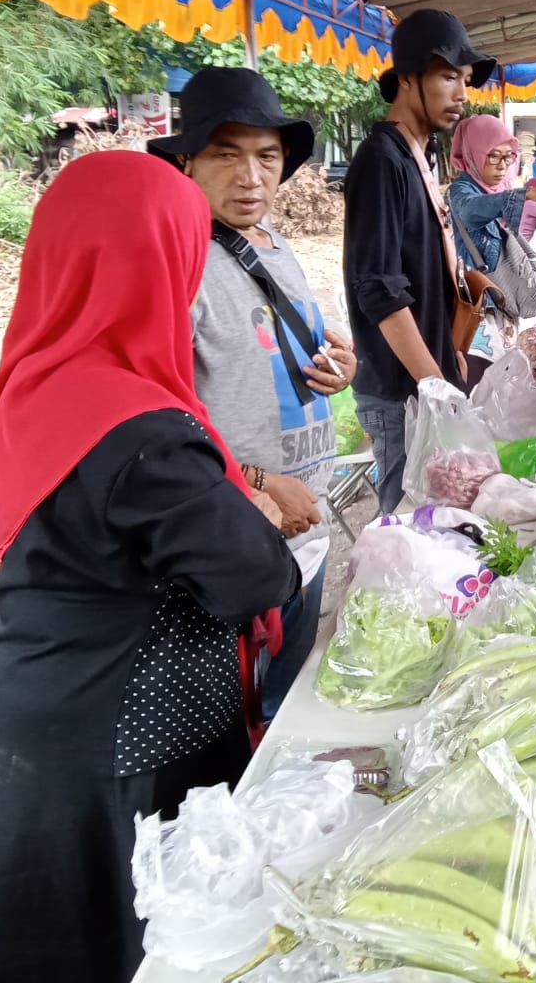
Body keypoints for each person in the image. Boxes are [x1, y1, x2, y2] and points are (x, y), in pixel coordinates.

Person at [0, 152, 298, 983]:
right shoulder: (140, 429)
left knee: (53, 937)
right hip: (121, 731)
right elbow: (254, 576)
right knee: (132, 945)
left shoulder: (36, 381)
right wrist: (255, 516)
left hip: (38, 708)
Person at [147, 66, 357, 721]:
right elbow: (156, 427)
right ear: (187, 161)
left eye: (267, 156)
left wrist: (338, 363)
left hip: (309, 523)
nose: (251, 176)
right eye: (226, 154)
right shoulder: (176, 264)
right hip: (244, 529)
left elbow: (291, 337)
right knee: (243, 722)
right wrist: (258, 481)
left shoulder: (275, 244)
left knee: (289, 700)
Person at [344, 8, 494, 512]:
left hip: (426, 381)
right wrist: (433, 386)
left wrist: (446, 357)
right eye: (448, 76)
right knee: (406, 531)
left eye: (465, 80)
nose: (461, 94)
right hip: (400, 392)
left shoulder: (419, 156)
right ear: (407, 78)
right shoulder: (382, 161)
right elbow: (379, 290)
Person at [449, 113, 536, 384]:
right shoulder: (462, 191)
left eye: (509, 157)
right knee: (482, 390)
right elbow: (470, 212)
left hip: (501, 313)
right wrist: (528, 193)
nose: (503, 166)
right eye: (493, 156)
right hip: (480, 317)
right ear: (473, 153)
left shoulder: (490, 189)